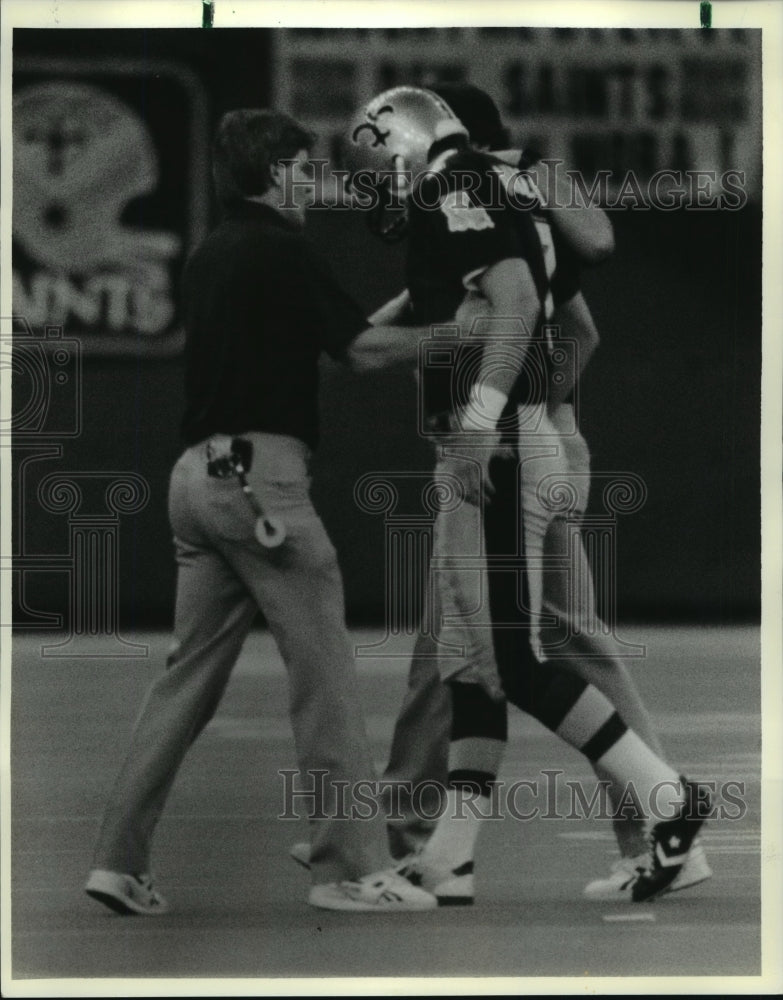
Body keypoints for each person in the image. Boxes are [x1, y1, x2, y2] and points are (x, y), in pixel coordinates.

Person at [340, 85, 711, 905]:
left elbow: (514, 304)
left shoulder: (457, 184)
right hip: (507, 439)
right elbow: (530, 298)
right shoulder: (493, 183)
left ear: (400, 144)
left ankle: (666, 800)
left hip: (501, 446)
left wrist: (481, 419)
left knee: (514, 661)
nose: (378, 191)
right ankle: (448, 858)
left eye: (375, 172)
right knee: (471, 666)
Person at [83, 108, 443, 915]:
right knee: (325, 679)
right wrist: (471, 332)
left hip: (195, 485)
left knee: (184, 685)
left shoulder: (217, 252)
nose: (314, 183)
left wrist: (411, 315)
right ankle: (350, 868)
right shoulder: (283, 248)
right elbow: (359, 351)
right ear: (278, 173)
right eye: (306, 169)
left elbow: (334, 334)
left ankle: (116, 859)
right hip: (260, 488)